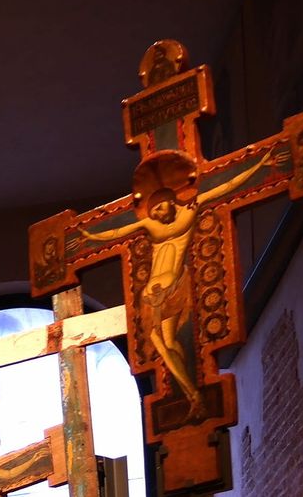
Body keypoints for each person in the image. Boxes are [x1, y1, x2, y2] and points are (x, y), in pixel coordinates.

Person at [76, 144, 285, 409]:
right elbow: (116, 232)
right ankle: (191, 394)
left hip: (174, 288)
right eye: (154, 211)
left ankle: (192, 394)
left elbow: (227, 187)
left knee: (171, 341)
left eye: (161, 207)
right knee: (160, 343)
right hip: (152, 295)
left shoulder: (189, 213)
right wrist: (88, 236)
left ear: (170, 201)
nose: (159, 213)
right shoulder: (149, 225)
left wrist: (259, 165)